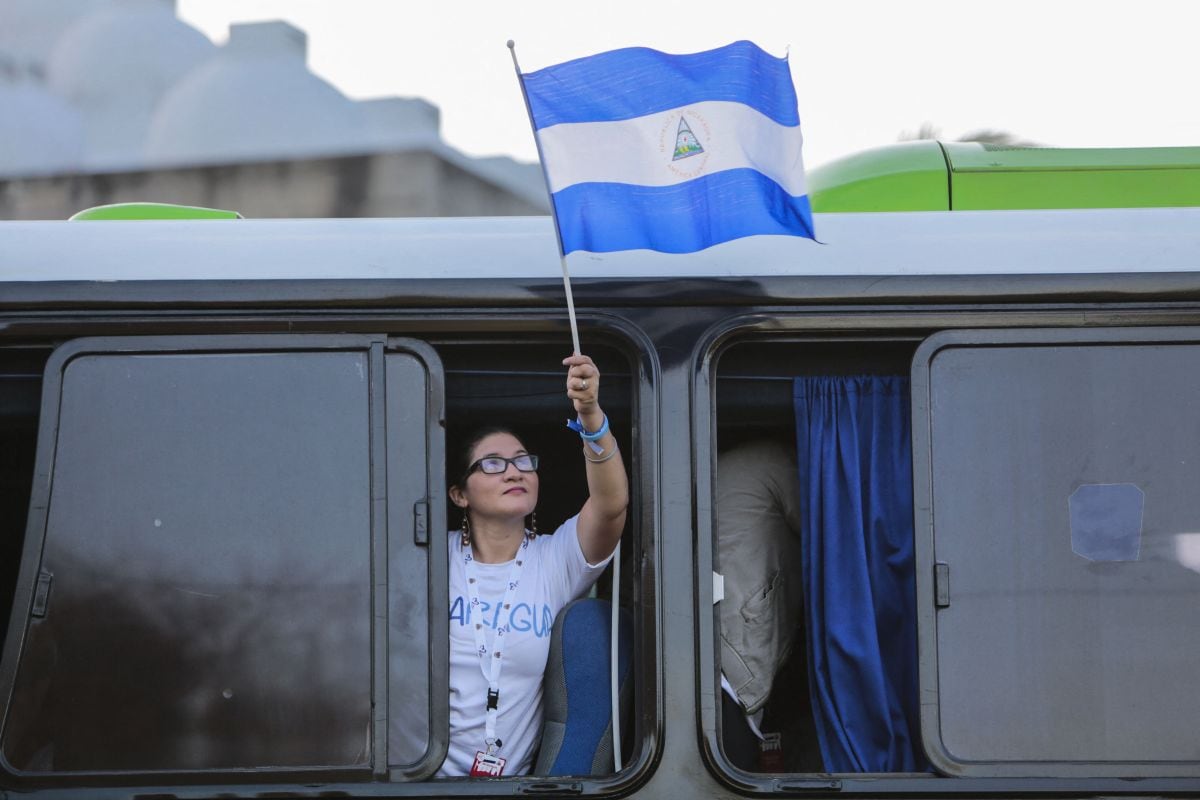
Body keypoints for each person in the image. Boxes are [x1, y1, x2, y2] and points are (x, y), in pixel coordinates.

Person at [441, 353, 628, 778]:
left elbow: (611, 506)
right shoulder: (431, 557)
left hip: (512, 787)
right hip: (421, 783)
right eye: (493, 463)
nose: (513, 471)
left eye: (523, 461)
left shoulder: (551, 559)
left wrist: (590, 417)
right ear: (459, 495)